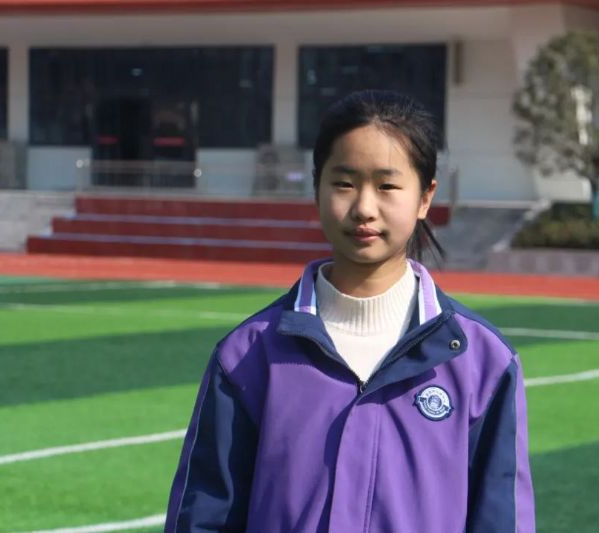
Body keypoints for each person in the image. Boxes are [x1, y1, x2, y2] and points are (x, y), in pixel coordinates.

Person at [165, 90, 535, 532]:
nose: (363, 208)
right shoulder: (247, 355)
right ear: (316, 188)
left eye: (387, 186)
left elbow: (501, 519)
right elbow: (203, 517)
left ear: (425, 197)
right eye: (344, 183)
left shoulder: (483, 362)